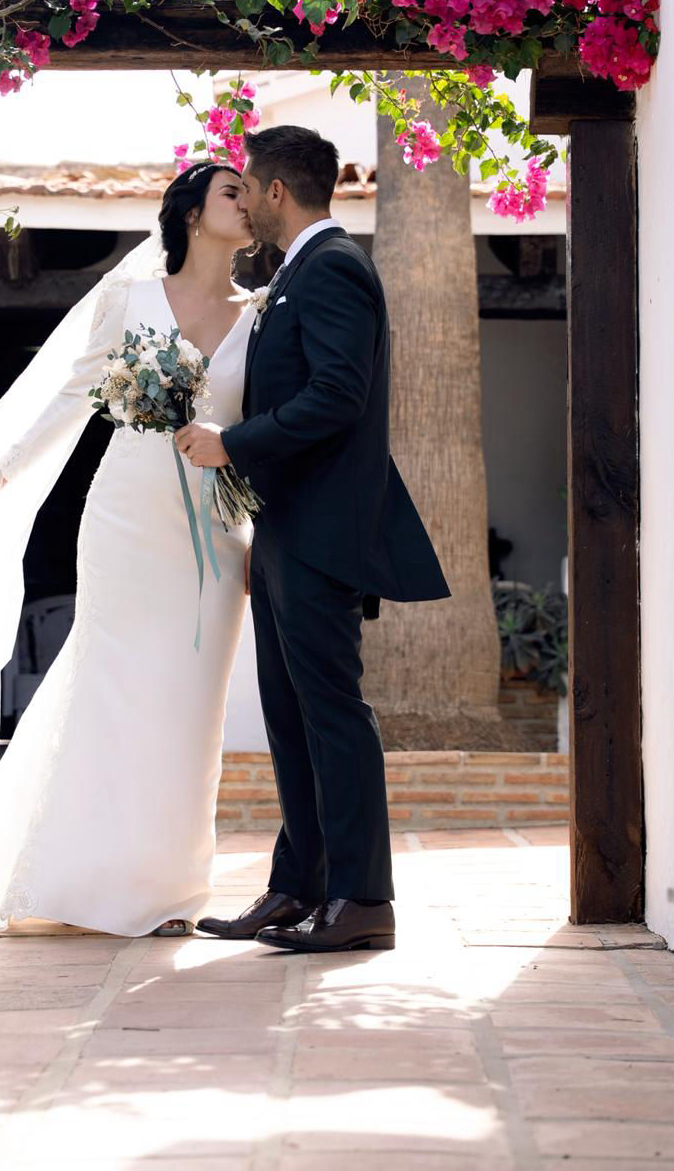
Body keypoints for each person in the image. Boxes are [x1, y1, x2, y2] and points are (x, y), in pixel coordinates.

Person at [0, 162, 256, 938]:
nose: (251, 201)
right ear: (193, 213)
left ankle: (167, 887)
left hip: (215, 527)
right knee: (111, 687)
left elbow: (266, 423)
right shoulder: (128, 297)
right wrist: (1, 466)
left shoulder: (260, 314)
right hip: (126, 513)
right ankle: (82, 876)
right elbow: (72, 393)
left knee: (191, 705)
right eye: (233, 190)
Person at [176, 125, 449, 953]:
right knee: (295, 718)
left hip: (327, 534)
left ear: (276, 193)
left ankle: (363, 900)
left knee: (332, 713)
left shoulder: (331, 269)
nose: (247, 201)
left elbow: (337, 395)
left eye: (250, 188)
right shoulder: (300, 274)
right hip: (292, 528)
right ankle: (297, 887)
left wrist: (234, 444)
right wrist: (265, 522)